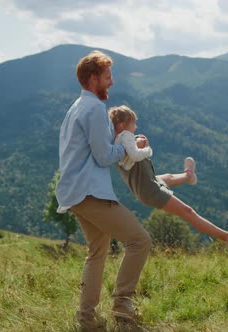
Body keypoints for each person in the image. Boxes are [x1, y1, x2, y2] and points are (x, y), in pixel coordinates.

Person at [55, 51, 150, 330]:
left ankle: (87, 318)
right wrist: (130, 149)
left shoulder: (76, 108)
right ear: (93, 78)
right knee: (139, 240)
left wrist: (122, 144)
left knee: (97, 252)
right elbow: (102, 155)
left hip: (75, 193)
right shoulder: (95, 108)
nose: (112, 82)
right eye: (107, 77)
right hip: (90, 192)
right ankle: (122, 304)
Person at [108, 105, 228, 250]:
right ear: (122, 125)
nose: (136, 126)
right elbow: (134, 154)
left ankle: (188, 176)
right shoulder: (126, 137)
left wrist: (136, 140)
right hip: (150, 190)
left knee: (168, 177)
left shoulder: (116, 141)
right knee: (187, 211)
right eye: (133, 123)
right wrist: (146, 148)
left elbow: (128, 149)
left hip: (147, 184)